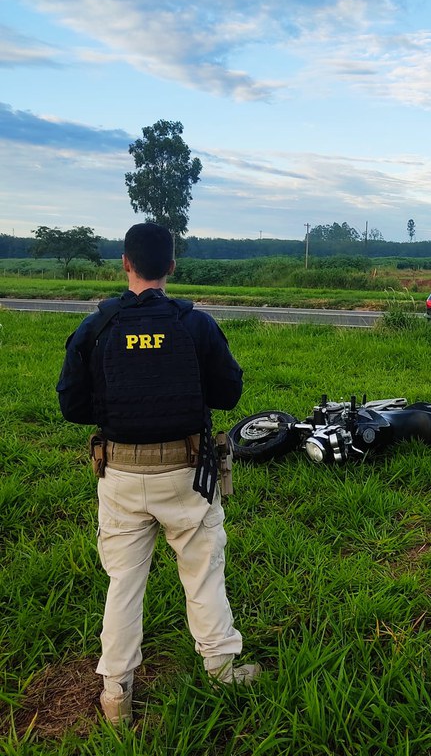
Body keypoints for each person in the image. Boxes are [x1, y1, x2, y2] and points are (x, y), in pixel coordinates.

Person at [56, 222, 258, 726]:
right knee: (203, 570)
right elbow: (229, 394)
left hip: (119, 473)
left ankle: (115, 691)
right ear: (171, 265)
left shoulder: (97, 327)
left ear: (125, 263)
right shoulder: (196, 326)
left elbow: (72, 404)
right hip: (189, 474)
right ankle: (220, 667)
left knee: (123, 582)